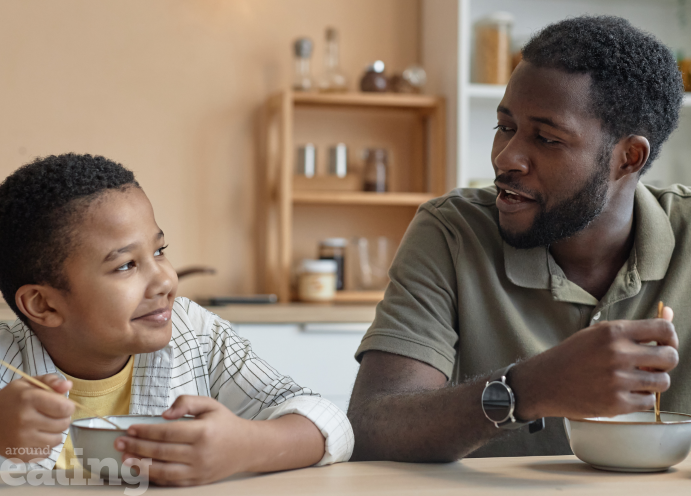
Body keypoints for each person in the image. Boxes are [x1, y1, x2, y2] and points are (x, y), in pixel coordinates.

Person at [347, 15, 686, 461]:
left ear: (628, 157)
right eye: (505, 127)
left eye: (546, 138)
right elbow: (372, 425)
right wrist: (526, 388)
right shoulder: (453, 232)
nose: (506, 158)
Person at [0, 153, 353, 485]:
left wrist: (245, 447)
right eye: (125, 265)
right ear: (43, 305)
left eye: (159, 251)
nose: (166, 281)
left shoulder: (195, 333)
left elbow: (331, 423)